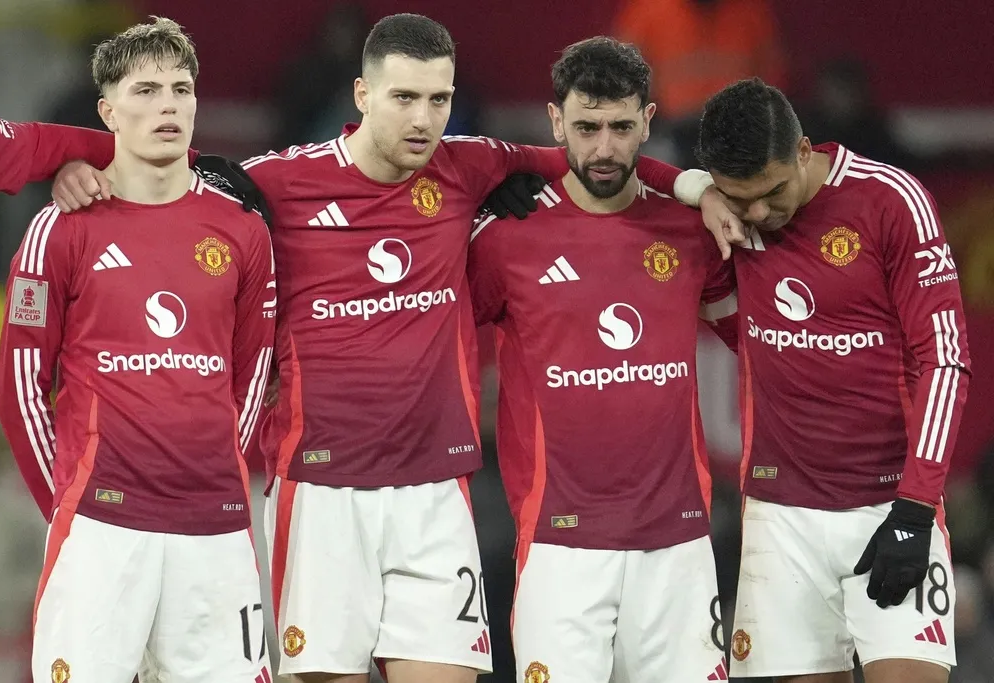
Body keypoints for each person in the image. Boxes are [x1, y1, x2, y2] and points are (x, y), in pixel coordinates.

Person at [46, 14, 739, 683]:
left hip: (434, 492)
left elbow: (593, 157)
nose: (423, 119)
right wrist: (80, 167)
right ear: (363, 94)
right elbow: (163, 173)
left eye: (439, 99)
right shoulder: (281, 181)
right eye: (404, 97)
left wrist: (693, 184)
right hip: (323, 490)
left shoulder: (464, 166)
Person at [0, 17, 275, 683]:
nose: (167, 105)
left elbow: (251, 377)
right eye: (146, 90)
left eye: (181, 89)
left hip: (214, 531)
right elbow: (19, 390)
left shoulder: (243, 232)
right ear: (108, 111)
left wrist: (207, 477)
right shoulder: (60, 229)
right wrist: (72, 501)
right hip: (100, 529)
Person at [467, 37, 738, 683]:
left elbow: (756, 337)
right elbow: (430, 336)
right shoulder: (505, 238)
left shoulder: (691, 230)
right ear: (556, 121)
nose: (605, 149)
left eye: (621, 127)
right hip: (559, 544)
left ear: (648, 119)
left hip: (677, 540)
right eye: (587, 128)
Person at [697, 78, 969, 683]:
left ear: (803, 150)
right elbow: (744, 334)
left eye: (773, 191)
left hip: (890, 504)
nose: (759, 214)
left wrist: (916, 507)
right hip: (780, 515)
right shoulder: (723, 213)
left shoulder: (890, 200)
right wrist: (697, 193)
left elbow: (945, 360)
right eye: (740, 199)